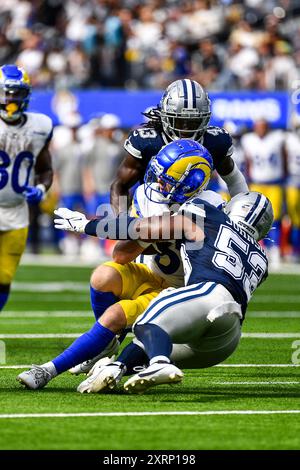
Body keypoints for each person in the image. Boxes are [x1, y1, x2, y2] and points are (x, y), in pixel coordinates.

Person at [17, 139, 221, 390]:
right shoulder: (150, 195)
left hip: (181, 291)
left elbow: (151, 229)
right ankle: (107, 344)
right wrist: (146, 235)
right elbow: (121, 255)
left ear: (190, 182)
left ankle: (48, 370)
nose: (158, 182)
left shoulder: (208, 205)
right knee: (103, 275)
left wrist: (89, 226)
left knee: (114, 314)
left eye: (166, 177)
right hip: (152, 273)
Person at [76, 191, 274, 394]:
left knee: (146, 323)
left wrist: (87, 225)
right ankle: (117, 367)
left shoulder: (211, 215)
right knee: (149, 342)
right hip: (227, 337)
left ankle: (159, 363)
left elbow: (139, 228)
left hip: (208, 294)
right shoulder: (263, 259)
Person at [110, 78, 248, 214]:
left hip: (194, 212)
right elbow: (120, 185)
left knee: (212, 198)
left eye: (194, 122)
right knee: (146, 194)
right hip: (153, 213)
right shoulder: (148, 142)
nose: (187, 129)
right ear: (165, 116)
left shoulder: (215, 141)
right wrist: (122, 223)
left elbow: (234, 179)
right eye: (180, 122)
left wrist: (242, 215)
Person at [0, 64, 53, 313]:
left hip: (17, 211)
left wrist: (42, 189)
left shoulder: (40, 126)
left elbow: (45, 169)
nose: (10, 99)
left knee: (4, 278)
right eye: (5, 93)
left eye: (16, 93)